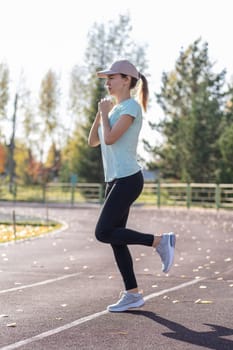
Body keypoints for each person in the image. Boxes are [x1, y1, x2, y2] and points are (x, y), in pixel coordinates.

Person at [88, 59, 176, 312]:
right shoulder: (113, 110)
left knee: (103, 232)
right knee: (116, 239)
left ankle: (159, 241)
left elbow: (113, 139)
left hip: (128, 178)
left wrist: (105, 114)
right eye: (106, 79)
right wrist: (100, 114)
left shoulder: (132, 107)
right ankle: (133, 294)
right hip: (113, 180)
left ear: (126, 80)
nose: (108, 82)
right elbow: (93, 141)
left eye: (112, 78)